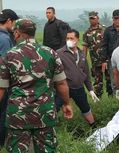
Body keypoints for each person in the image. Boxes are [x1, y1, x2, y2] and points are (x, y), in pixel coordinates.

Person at [0, 18, 73, 153]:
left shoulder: (9, 55)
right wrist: (67, 103)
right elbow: (61, 83)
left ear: (16, 33)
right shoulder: (50, 53)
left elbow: (1, 88)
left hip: (18, 115)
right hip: (44, 112)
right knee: (47, 149)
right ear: (33, 33)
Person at [56, 29, 99, 128]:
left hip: (79, 88)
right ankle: (50, 129)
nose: (69, 40)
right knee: (54, 107)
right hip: (64, 88)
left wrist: (91, 90)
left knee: (85, 108)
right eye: (67, 38)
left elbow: (86, 74)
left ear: (77, 40)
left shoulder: (81, 54)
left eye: (72, 38)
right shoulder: (59, 53)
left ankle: (94, 127)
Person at [82, 11, 113, 98]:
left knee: (110, 80)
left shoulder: (105, 29)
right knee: (97, 82)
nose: (92, 20)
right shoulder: (87, 33)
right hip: (95, 62)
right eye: (90, 18)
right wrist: (83, 60)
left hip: (106, 60)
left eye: (93, 18)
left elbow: (110, 44)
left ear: (97, 18)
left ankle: (112, 98)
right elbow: (85, 47)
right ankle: (98, 99)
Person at [0, 9, 19, 148]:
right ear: (8, 21)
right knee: (3, 113)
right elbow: (5, 66)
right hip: (2, 83)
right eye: (14, 23)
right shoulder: (5, 39)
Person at [100, 9, 119, 96]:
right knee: (114, 81)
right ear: (112, 19)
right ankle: (117, 101)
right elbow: (104, 45)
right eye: (115, 18)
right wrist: (103, 60)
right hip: (112, 59)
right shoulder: (108, 30)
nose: (117, 20)